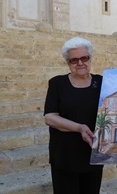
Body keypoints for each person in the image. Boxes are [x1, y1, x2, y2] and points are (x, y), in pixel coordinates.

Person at [44, 37, 104, 194]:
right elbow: (49, 117)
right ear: (68, 63)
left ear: (90, 59)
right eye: (74, 60)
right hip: (65, 155)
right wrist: (79, 128)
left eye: (84, 58)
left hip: (93, 153)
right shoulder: (57, 83)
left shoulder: (102, 82)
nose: (80, 63)